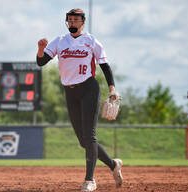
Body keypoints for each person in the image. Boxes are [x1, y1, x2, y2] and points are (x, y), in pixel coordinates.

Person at [36, 8, 123, 191]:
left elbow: (105, 66)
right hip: (70, 92)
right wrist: (41, 49)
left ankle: (89, 180)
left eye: (76, 20)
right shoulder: (60, 41)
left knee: (90, 136)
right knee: (83, 141)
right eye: (70, 20)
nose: (72, 23)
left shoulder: (90, 41)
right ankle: (113, 165)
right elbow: (42, 62)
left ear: (83, 22)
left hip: (89, 88)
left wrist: (112, 89)